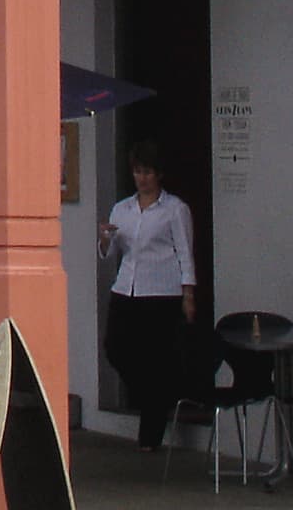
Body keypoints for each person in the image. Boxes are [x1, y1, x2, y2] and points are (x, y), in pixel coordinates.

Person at [98, 139, 198, 452]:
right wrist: (104, 238)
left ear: (159, 175)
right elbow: (110, 251)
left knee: (156, 359)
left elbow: (184, 251)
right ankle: (155, 397)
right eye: (138, 172)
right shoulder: (122, 209)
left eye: (148, 172)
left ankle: (150, 436)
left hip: (161, 290)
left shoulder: (174, 209)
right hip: (127, 286)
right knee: (116, 347)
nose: (142, 178)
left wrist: (188, 293)